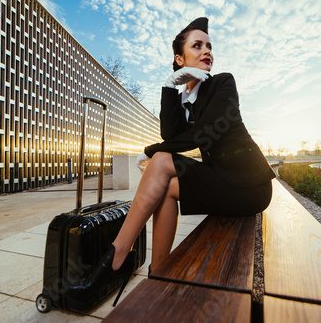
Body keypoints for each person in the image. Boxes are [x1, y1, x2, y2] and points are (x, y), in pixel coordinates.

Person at [68, 17, 276, 304]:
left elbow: (203, 134)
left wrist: (151, 149)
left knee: (163, 160)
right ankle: (159, 275)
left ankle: (116, 257)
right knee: (163, 188)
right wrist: (169, 85)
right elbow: (172, 133)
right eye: (197, 45)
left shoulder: (223, 83)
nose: (207, 51)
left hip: (249, 186)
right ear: (180, 58)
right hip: (221, 180)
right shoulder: (184, 99)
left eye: (209, 46)